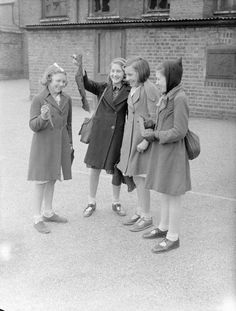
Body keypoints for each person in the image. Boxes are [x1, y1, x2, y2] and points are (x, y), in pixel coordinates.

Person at [141, 58, 191, 253]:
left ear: (170, 78)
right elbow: (165, 123)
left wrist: (155, 135)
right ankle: (163, 227)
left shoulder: (180, 98)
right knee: (164, 191)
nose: (157, 81)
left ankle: (173, 237)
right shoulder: (167, 95)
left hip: (173, 153)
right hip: (164, 151)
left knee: (174, 194)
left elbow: (180, 131)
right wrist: (151, 124)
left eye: (159, 78)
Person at [73, 57, 132, 217]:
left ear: (124, 73)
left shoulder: (130, 90)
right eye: (112, 71)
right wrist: (81, 68)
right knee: (94, 168)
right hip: (99, 133)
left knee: (115, 169)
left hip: (116, 134)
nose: (115, 74)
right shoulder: (103, 87)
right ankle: (91, 202)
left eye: (118, 71)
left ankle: (116, 202)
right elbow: (86, 83)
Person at [28, 63, 73, 234]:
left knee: (53, 177)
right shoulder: (39, 99)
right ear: (48, 79)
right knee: (41, 180)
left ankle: (48, 212)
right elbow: (33, 125)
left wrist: (69, 144)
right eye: (58, 81)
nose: (61, 84)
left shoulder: (67, 99)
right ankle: (37, 217)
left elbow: (68, 123)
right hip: (43, 144)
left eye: (63, 82)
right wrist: (43, 117)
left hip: (60, 143)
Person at [117, 56, 159, 232]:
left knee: (141, 179)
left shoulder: (149, 88)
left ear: (141, 72)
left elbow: (155, 118)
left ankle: (147, 216)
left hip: (142, 141)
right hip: (130, 138)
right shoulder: (134, 88)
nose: (127, 78)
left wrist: (146, 141)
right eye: (126, 75)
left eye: (130, 74)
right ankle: (140, 210)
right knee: (135, 176)